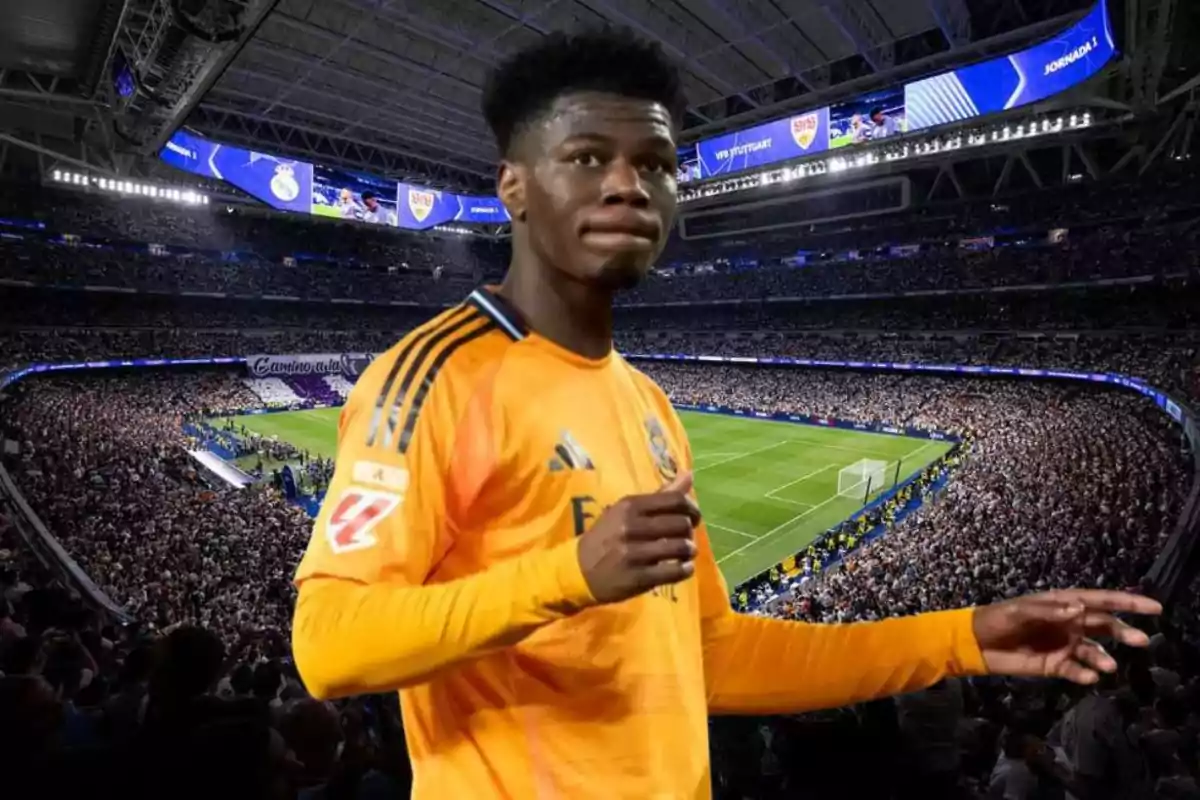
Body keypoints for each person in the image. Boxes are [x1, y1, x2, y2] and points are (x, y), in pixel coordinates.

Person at [291, 28, 1162, 799]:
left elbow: (713, 655)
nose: (630, 186)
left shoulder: (650, 407)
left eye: (658, 165)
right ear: (513, 187)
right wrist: (566, 575)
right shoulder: (433, 377)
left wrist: (962, 637)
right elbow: (329, 646)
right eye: (589, 157)